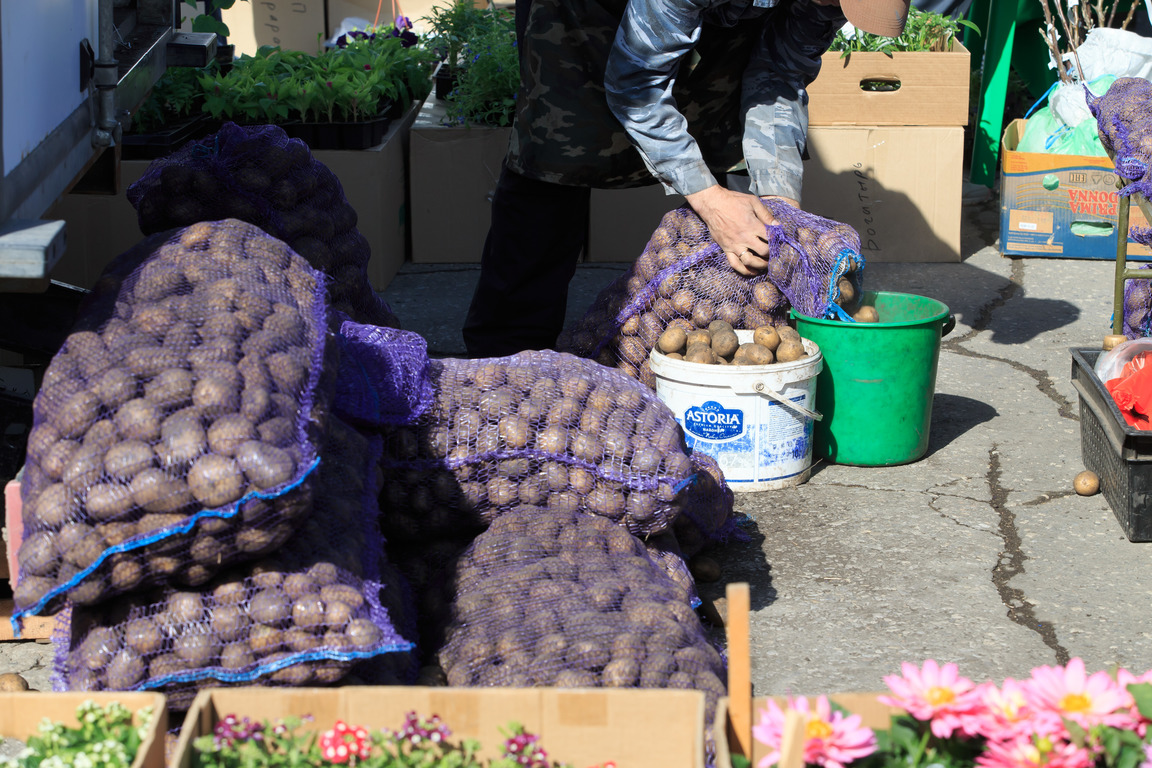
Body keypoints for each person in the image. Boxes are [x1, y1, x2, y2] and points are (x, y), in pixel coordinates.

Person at [463, 0, 911, 358]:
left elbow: (780, 75)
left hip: (714, 13)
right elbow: (636, 82)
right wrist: (710, 200)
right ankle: (503, 359)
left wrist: (777, 197)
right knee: (559, 151)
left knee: (728, 147)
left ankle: (709, 356)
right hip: (583, 14)